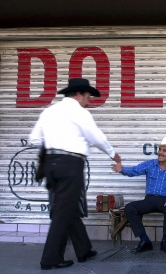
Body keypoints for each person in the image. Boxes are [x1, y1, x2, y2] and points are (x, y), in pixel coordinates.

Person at [29, 78, 122, 270]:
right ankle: (50, 259)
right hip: (70, 165)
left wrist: (55, 141)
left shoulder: (49, 111)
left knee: (67, 207)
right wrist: (113, 154)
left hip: (51, 164)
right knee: (63, 212)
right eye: (87, 97)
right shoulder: (80, 113)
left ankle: (84, 250)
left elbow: (34, 138)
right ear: (79, 95)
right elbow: (95, 136)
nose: (88, 101)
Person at [111, 137, 166, 253]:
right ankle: (145, 240)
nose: (160, 152)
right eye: (160, 149)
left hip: (165, 200)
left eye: (164, 150)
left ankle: (165, 241)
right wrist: (122, 170)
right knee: (130, 208)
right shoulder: (150, 164)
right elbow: (134, 170)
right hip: (149, 200)